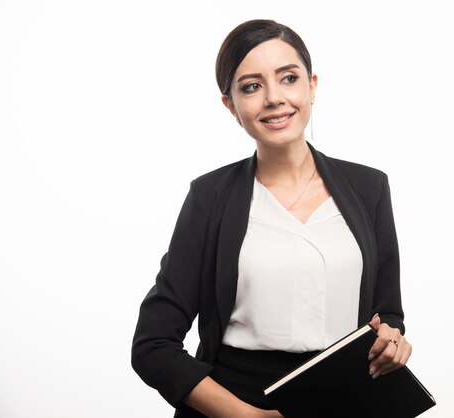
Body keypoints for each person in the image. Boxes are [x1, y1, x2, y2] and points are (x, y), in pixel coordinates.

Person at [131, 18, 412, 418]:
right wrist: (247, 417)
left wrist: (392, 338)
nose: (274, 98)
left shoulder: (369, 188)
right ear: (231, 105)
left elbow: (388, 313)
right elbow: (152, 345)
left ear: (312, 86)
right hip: (236, 402)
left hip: (345, 400)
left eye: (288, 78)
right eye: (251, 86)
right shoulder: (209, 196)